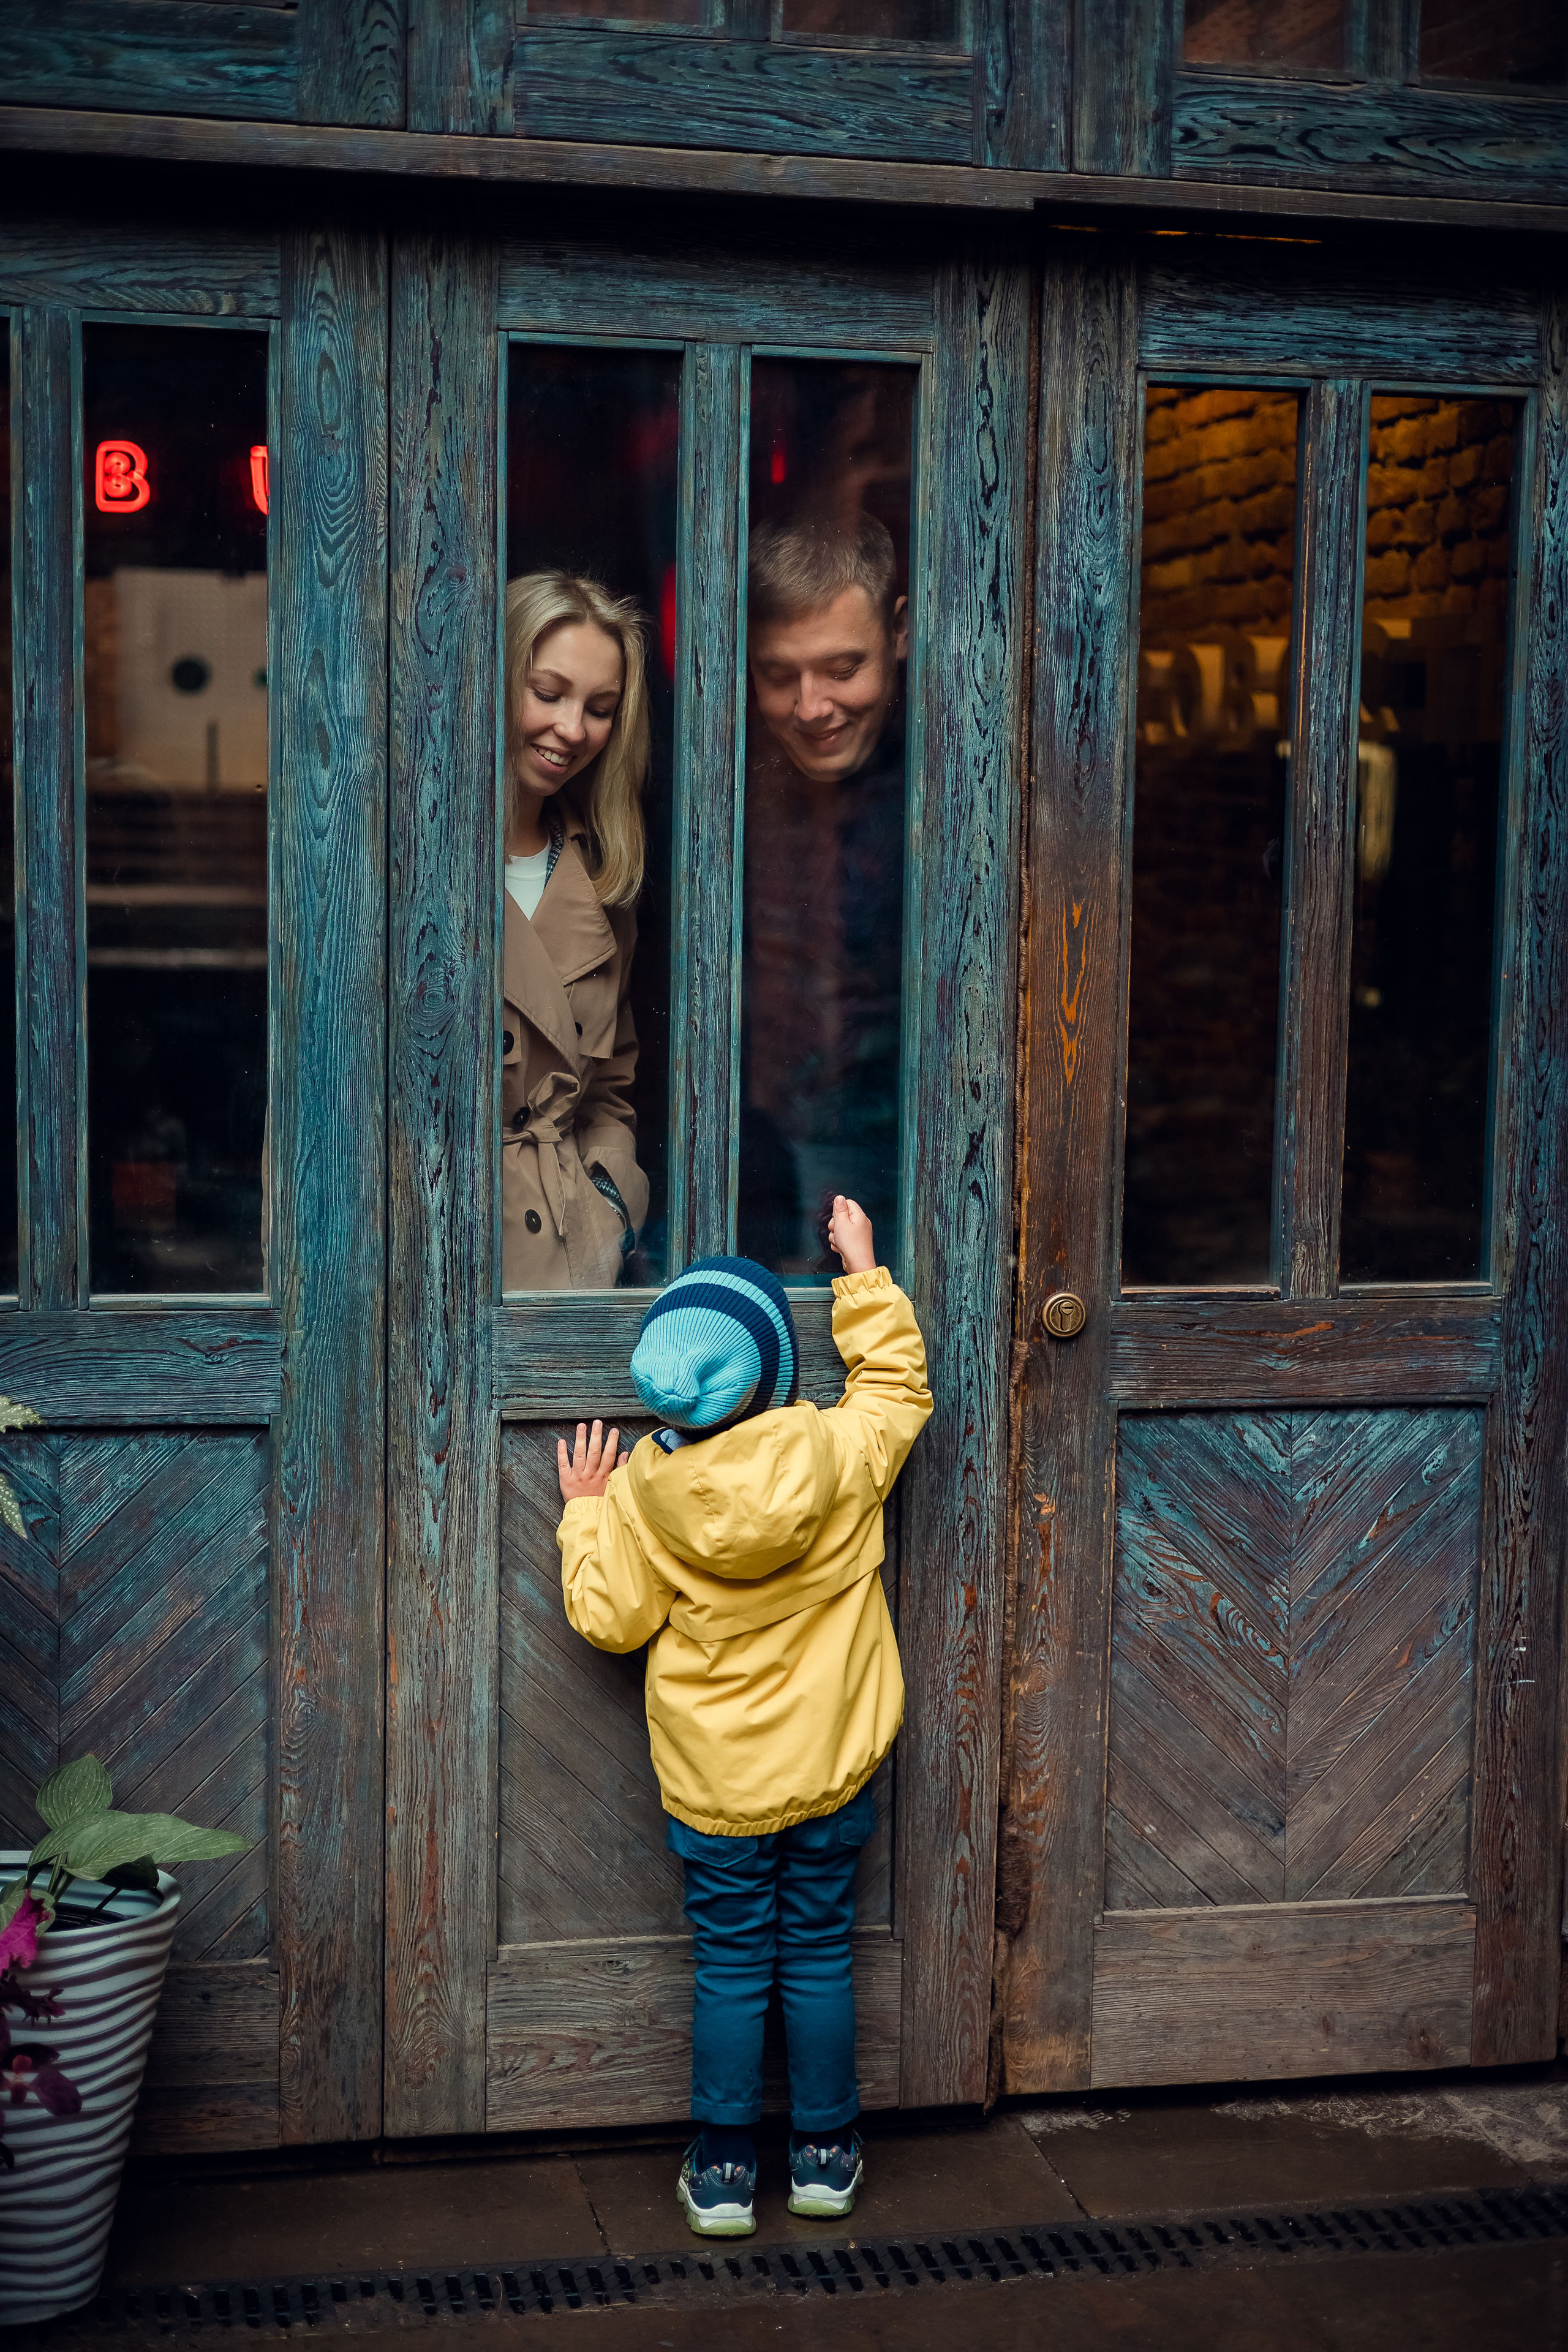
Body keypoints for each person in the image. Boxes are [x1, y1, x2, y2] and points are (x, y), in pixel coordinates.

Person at [555, 1196, 931, 2237]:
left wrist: (586, 1515)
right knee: (815, 1950)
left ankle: (723, 2170)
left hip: (717, 1783)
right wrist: (858, 1268)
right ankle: (823, 2154)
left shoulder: (639, 1494)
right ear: (774, 1374)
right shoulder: (839, 1455)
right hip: (835, 1766)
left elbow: (610, 1621)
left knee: (730, 1964)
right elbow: (897, 1387)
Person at [739, 513, 909, 1273]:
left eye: (843, 669)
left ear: (899, 632)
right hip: (745, 1149)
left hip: (919, 1153)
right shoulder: (708, 780)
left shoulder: (963, 771)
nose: (810, 707)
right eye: (781, 675)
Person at [501, 571, 650, 1291]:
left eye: (600, 708)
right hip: (420, 1266)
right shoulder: (400, 859)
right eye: (548, 692)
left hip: (566, 1268)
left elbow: (611, 1091)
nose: (572, 729)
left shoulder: (600, 877)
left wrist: (611, 1207)